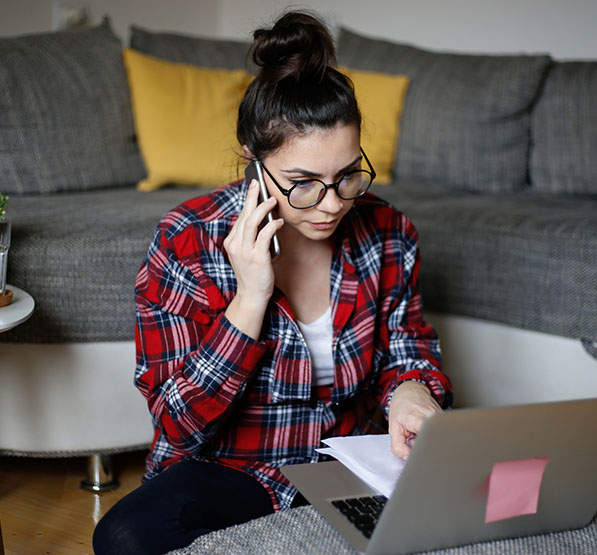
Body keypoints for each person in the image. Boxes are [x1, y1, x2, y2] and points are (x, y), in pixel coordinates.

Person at [93, 10, 452, 554]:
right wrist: (250, 298)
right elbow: (178, 425)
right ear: (252, 162)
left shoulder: (388, 232)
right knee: (125, 537)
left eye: (349, 174)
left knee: (461, 518)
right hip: (231, 471)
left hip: (344, 467)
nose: (332, 204)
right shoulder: (185, 241)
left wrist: (412, 395)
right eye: (303, 183)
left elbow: (408, 350)